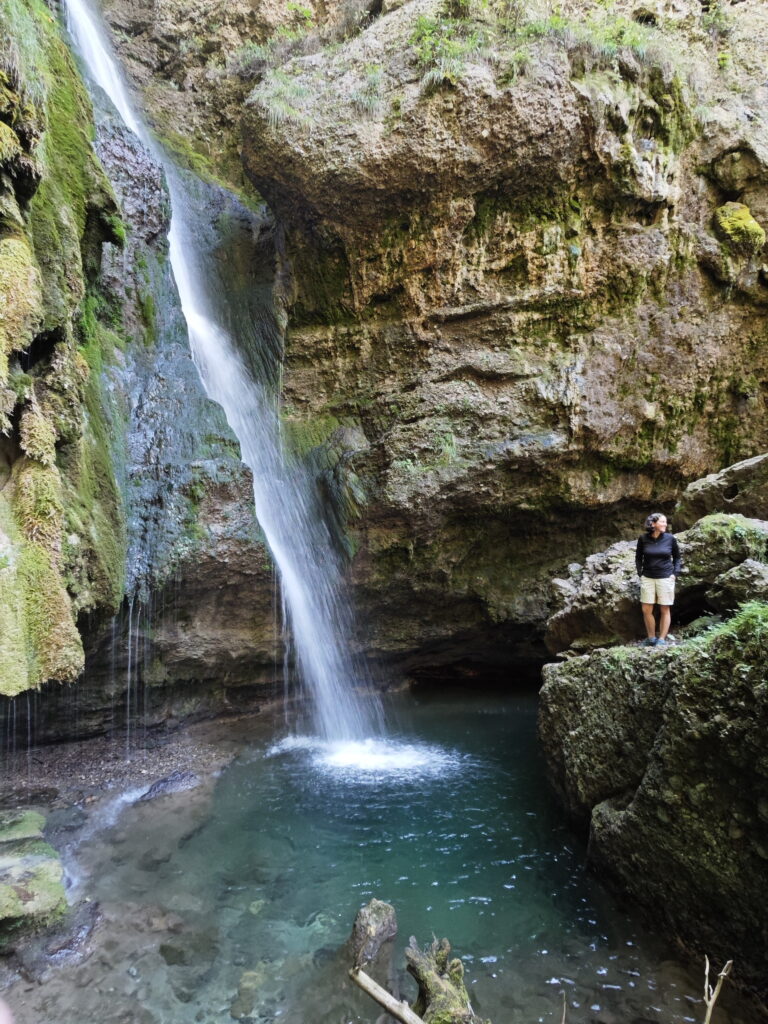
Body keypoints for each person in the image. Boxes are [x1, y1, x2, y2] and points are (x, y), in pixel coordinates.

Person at [635, 512, 682, 647]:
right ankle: (651, 638)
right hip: (648, 577)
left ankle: (661, 639)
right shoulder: (643, 538)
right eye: (662, 522)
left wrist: (675, 573)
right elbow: (638, 558)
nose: (665, 524)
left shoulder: (670, 539)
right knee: (646, 609)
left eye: (665, 522)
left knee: (664, 608)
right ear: (653, 524)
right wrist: (640, 573)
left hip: (665, 577)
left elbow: (677, 557)